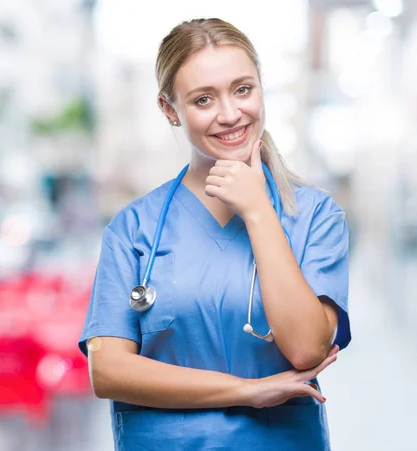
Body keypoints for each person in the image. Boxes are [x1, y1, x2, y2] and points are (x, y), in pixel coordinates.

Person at [79, 18, 350, 450]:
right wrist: (248, 391)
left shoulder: (315, 216)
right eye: (203, 99)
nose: (229, 114)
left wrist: (259, 211)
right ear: (170, 110)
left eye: (243, 89)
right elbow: (109, 371)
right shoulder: (133, 228)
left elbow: (306, 350)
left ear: (261, 89)